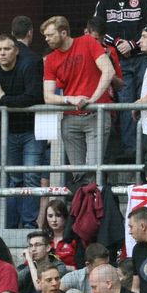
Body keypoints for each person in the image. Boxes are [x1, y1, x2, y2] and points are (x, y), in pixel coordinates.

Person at [41, 15, 114, 185]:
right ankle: (84, 201)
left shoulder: (87, 42)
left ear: (63, 33)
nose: (46, 39)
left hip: (96, 114)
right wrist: (70, 99)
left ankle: (97, 199)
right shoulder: (51, 59)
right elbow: (47, 96)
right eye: (45, 36)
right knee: (79, 174)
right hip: (71, 119)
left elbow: (109, 71)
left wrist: (93, 99)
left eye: (50, 35)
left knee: (94, 170)